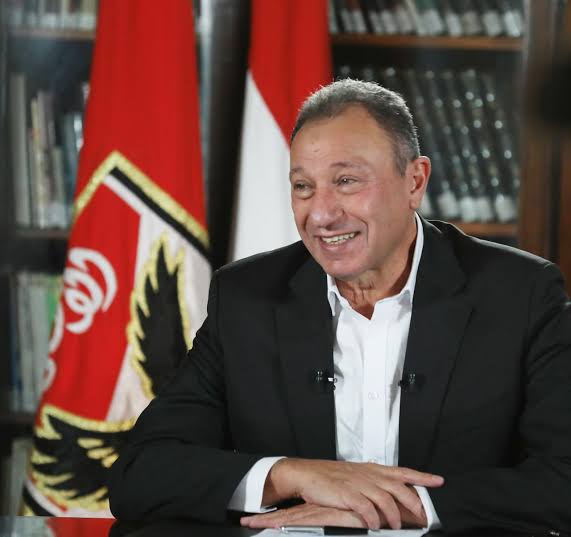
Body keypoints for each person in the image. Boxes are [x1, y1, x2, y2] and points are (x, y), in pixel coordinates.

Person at [109, 79, 571, 533]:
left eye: (346, 181)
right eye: (303, 187)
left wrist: (396, 507)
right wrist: (293, 475)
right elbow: (141, 472)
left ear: (415, 181)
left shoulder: (521, 295)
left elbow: (563, 479)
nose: (322, 214)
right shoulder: (246, 298)